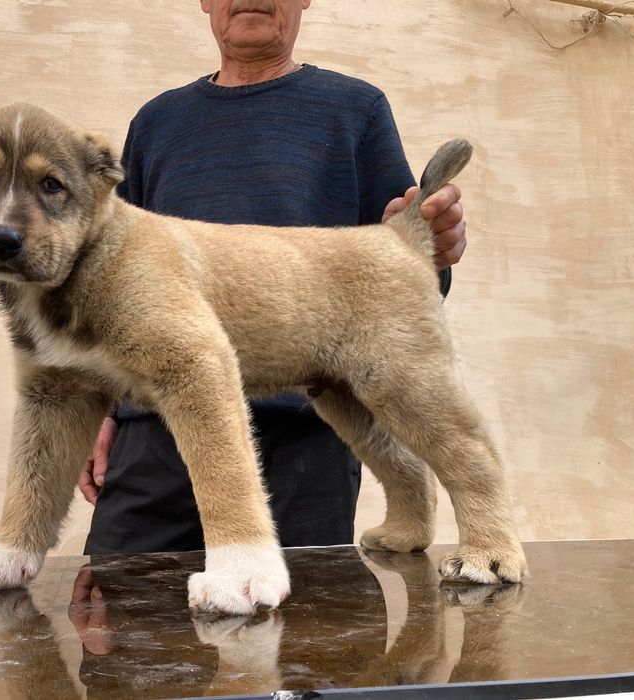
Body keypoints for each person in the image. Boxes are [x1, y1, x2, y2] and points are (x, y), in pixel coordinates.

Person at [78, 0, 467, 554]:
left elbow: (407, 272)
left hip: (305, 429)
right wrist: (101, 408)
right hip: (157, 431)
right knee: (120, 618)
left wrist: (434, 250)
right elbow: (110, 283)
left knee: (304, 630)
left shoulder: (355, 111)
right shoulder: (156, 122)